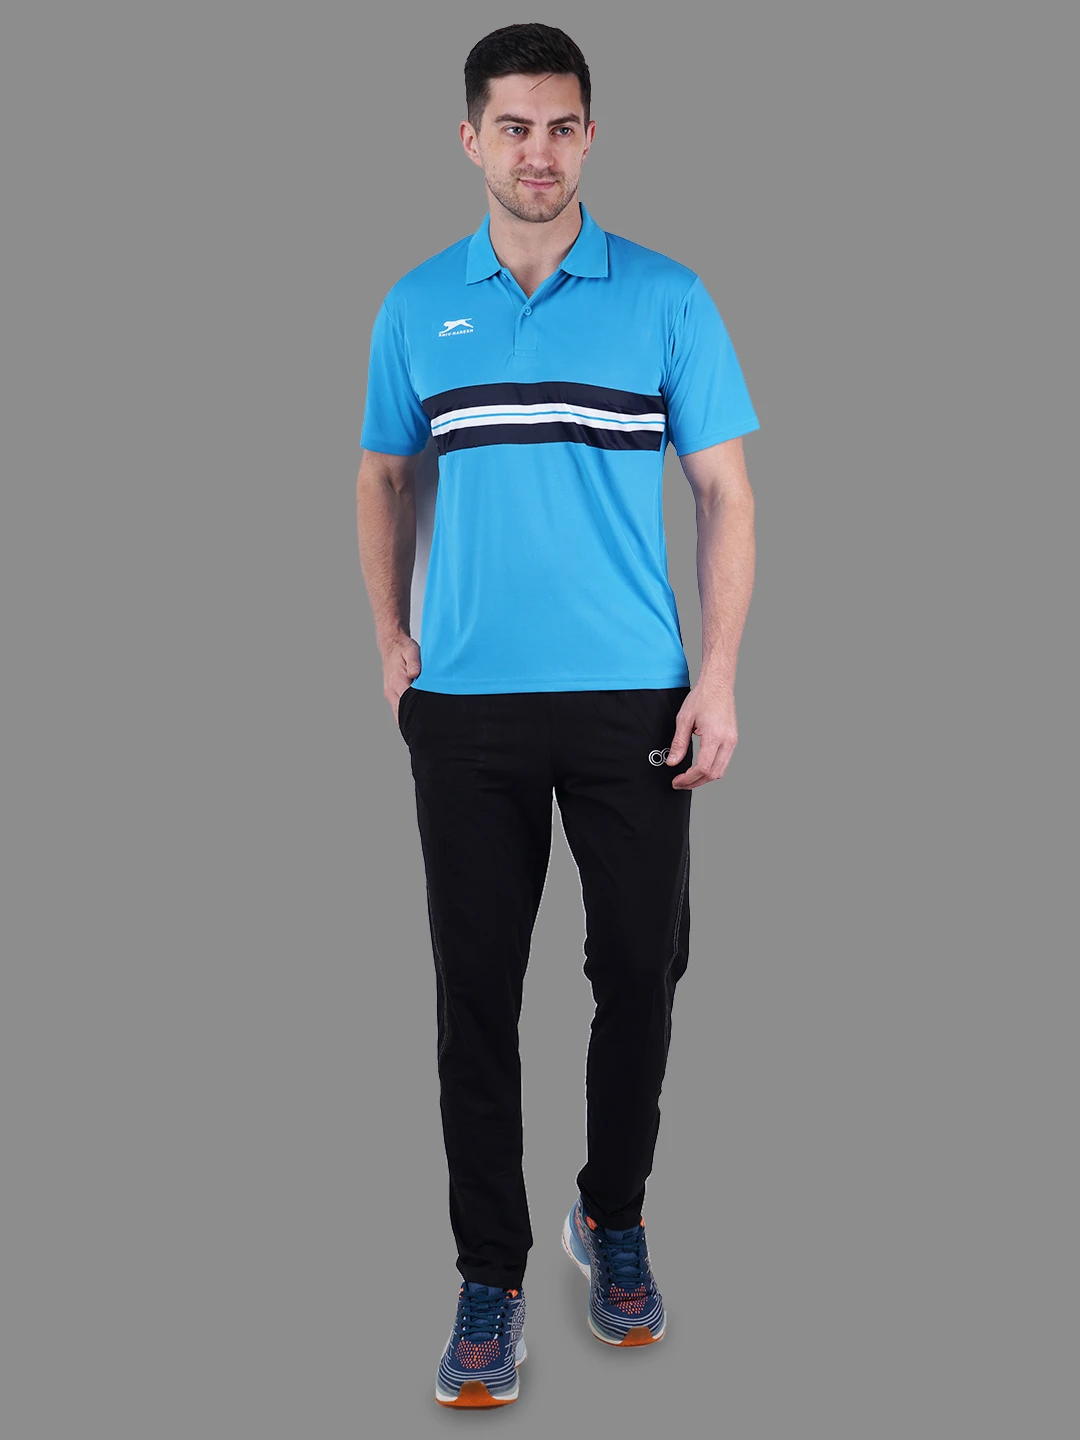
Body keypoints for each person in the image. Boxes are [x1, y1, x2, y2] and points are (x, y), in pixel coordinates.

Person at [356, 22, 759, 1409]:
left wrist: (717, 676)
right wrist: (392, 637)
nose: (539, 151)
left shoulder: (668, 298)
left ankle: (613, 1212)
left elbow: (726, 495)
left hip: (633, 700)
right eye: (514, 126)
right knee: (475, 995)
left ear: (591, 136)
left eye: (563, 125)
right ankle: (491, 1276)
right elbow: (381, 475)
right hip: (465, 708)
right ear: (471, 138)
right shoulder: (416, 305)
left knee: (639, 971)